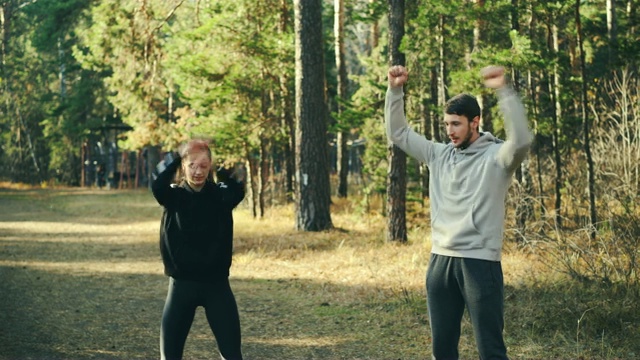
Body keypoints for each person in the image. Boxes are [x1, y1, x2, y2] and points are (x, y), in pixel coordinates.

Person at [385, 65, 532, 360]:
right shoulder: (438, 155)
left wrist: (504, 91)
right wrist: (395, 90)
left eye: (456, 124)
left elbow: (523, 140)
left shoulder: (497, 157)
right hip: (440, 262)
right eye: (447, 124)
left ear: (475, 122)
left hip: (479, 262)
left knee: (490, 348)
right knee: (442, 348)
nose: (449, 131)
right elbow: (399, 133)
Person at [151, 139, 245, 360]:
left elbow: (239, 188)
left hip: (217, 286)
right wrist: (177, 157)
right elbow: (156, 185)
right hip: (181, 286)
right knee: (170, 356)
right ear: (183, 166)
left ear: (210, 165)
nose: (197, 171)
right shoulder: (173, 196)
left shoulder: (222, 195)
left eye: (204, 165)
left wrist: (218, 166)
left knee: (232, 355)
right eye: (192, 164)